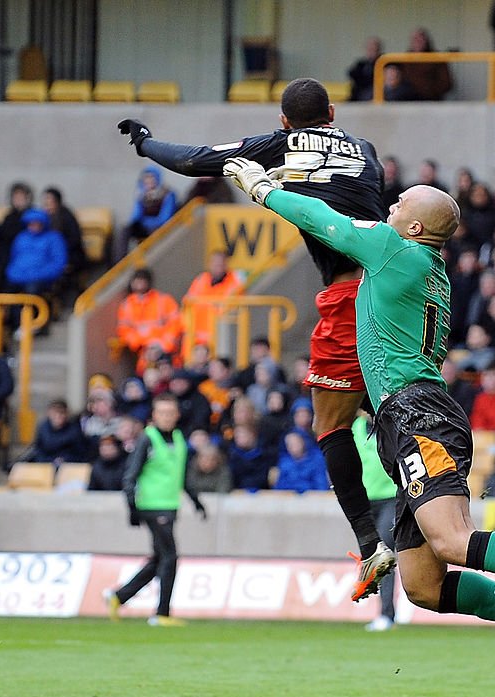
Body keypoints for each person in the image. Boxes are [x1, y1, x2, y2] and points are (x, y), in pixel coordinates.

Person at [225, 161, 495, 686]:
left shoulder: (397, 251)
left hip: (419, 415)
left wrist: (264, 190)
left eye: (399, 204)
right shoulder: (418, 264)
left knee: (454, 539)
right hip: (407, 416)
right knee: (423, 586)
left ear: (414, 227)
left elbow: (329, 223)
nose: (389, 208)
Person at [118, 78, 395, 600]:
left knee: (330, 423)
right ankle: (424, 499)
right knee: (384, 405)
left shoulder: (282, 144)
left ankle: (369, 543)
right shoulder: (365, 150)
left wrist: (147, 142)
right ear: (333, 111)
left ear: (286, 120)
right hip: (396, 288)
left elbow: (198, 159)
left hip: (349, 293)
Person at [106, 394, 207, 626]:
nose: (167, 417)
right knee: (170, 556)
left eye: (170, 413)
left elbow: (180, 475)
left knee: (160, 558)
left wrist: (195, 500)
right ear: (154, 415)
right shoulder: (147, 439)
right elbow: (131, 475)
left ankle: (119, 597)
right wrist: (132, 506)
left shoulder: (180, 439)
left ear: (177, 415)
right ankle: (162, 614)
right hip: (152, 506)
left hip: (170, 505)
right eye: (162, 413)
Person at [352, 414, 399, 631]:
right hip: (365, 499)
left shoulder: (391, 424)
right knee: (374, 554)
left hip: (391, 496)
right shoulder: (357, 427)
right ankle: (384, 612)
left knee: (384, 552)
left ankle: (386, 614)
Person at [116, 269, 182, 375]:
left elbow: (176, 323)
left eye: (142, 281)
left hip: (165, 351)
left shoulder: (163, 300)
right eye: (137, 281)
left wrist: (163, 344)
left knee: (170, 376)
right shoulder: (127, 304)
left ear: (148, 282)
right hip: (144, 352)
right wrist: (141, 344)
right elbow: (124, 330)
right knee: (145, 378)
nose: (139, 285)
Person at [112, 166, 178, 263]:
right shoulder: (141, 195)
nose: (149, 181)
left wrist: (148, 222)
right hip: (144, 227)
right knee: (126, 229)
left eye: (152, 177)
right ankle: (119, 261)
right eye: (146, 178)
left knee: (155, 232)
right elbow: (135, 216)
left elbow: (165, 218)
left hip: (159, 228)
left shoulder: (167, 194)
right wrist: (142, 199)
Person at [183, 250, 244, 348]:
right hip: (195, 336)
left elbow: (232, 308)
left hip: (219, 337)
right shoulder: (201, 279)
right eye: (214, 263)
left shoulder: (235, 282)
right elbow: (187, 302)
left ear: (226, 264)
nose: (217, 267)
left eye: (220, 264)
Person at [6, 208, 68, 299]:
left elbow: (58, 263)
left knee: (32, 290)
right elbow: (14, 259)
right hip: (18, 276)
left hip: (42, 278)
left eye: (36, 223)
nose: (33, 226)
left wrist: (37, 275)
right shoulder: (21, 237)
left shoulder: (54, 238)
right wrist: (13, 273)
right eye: (30, 223)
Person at [398, 27, 453, 101]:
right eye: (414, 39)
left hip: (430, 101)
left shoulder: (436, 58)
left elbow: (447, 83)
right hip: (408, 101)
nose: (417, 42)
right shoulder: (404, 58)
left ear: (426, 41)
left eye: (420, 39)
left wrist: (429, 91)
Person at [347, 36, 382, 101]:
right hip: (358, 96)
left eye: (373, 47)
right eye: (369, 48)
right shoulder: (361, 64)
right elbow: (351, 74)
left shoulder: (384, 62)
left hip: (373, 95)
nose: (371, 50)